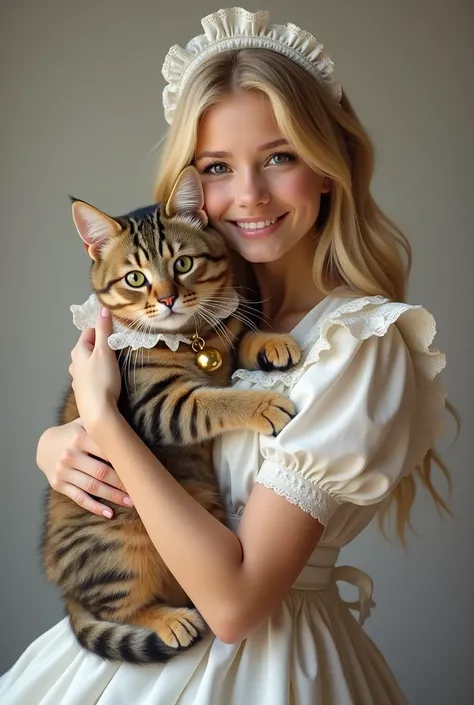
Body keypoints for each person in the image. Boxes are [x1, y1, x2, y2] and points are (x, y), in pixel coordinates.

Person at [0, 7, 454, 704]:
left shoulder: (358, 345)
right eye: (217, 167)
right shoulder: (186, 311)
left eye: (280, 156)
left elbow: (236, 607)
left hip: (262, 664)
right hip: (119, 644)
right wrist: (58, 443)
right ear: (192, 188)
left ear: (328, 168)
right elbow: (138, 430)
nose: (249, 195)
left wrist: (102, 418)